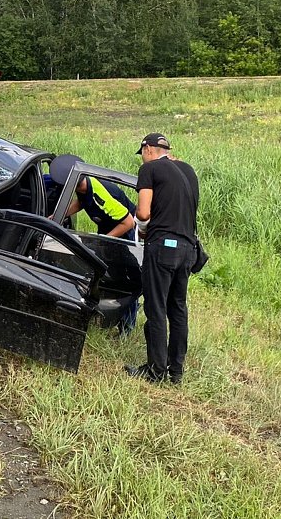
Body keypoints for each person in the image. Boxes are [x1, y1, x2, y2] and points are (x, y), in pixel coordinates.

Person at [124, 133, 199, 384]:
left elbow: (143, 212)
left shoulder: (150, 169)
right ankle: (176, 372)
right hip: (188, 249)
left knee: (156, 308)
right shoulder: (188, 171)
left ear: (147, 149)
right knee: (178, 309)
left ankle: (156, 371)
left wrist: (143, 230)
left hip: (162, 247)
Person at [48, 154, 139, 334]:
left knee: (125, 282)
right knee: (104, 274)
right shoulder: (83, 187)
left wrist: (104, 241)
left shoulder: (101, 194)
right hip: (108, 230)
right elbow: (81, 203)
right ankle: (102, 314)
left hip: (123, 234)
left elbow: (129, 222)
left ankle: (127, 327)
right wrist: (57, 216)